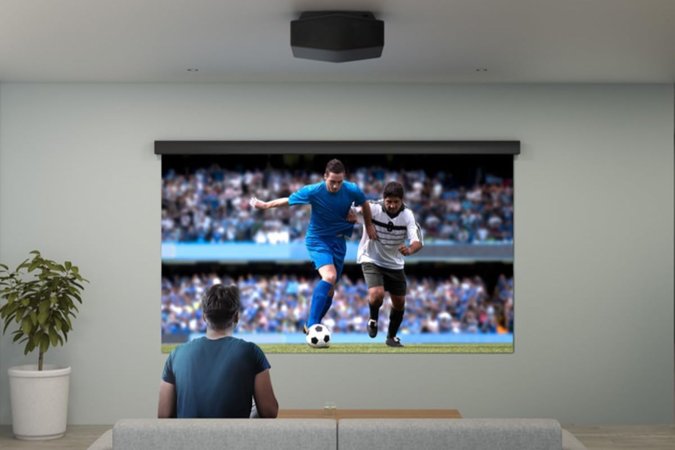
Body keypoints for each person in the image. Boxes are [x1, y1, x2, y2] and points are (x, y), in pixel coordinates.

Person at [251, 159, 377, 333]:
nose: (335, 186)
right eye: (332, 181)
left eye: (339, 182)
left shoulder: (352, 189)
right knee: (330, 276)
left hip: (339, 241)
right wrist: (266, 205)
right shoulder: (313, 191)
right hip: (318, 240)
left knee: (331, 290)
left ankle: (311, 323)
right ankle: (312, 325)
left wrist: (368, 224)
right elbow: (288, 200)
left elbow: (365, 203)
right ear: (325, 176)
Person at [158, 284, 278, 418]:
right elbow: (269, 412)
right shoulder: (251, 352)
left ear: (204, 317)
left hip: (188, 437)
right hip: (233, 437)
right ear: (236, 317)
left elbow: (163, 415)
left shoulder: (176, 354)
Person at [355, 181, 424, 347]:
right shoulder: (373, 207)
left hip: (394, 263)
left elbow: (418, 241)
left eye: (396, 202)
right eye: (389, 201)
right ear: (383, 199)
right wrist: (367, 223)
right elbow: (354, 210)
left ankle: (391, 337)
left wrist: (409, 250)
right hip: (371, 258)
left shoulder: (408, 215)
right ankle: (373, 319)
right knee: (377, 294)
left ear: (402, 201)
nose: (392, 205)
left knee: (399, 302)